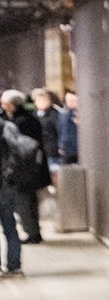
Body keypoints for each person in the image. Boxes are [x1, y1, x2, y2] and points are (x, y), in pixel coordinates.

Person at [2, 89, 48, 244]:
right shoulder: (28, 118)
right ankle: (33, 232)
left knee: (25, 202)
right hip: (31, 168)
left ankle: (32, 232)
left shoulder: (21, 122)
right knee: (29, 202)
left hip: (24, 169)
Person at [0, 105, 26, 276]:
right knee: (10, 225)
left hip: (5, 183)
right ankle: (14, 264)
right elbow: (19, 153)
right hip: (6, 184)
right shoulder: (8, 127)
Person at [31, 88, 59, 169]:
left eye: (42, 101)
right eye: (37, 101)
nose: (39, 103)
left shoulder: (54, 114)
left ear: (48, 102)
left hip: (51, 149)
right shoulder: (33, 114)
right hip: (37, 148)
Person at [57, 89, 78, 166]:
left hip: (77, 148)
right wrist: (60, 145)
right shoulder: (63, 114)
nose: (70, 102)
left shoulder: (82, 114)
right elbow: (60, 131)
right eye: (68, 100)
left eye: (73, 100)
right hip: (66, 148)